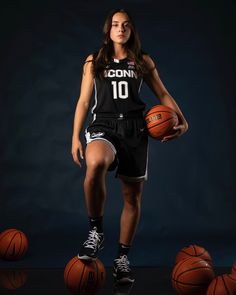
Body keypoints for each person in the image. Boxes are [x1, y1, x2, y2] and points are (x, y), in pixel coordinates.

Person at [71, 8, 188, 283]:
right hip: (104, 125)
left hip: (136, 129)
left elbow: (162, 93)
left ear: (131, 30)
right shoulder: (95, 60)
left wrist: (184, 122)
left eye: (125, 25)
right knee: (95, 162)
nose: (120, 29)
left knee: (132, 198)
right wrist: (75, 135)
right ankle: (96, 231)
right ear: (108, 30)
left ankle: (122, 257)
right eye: (115, 25)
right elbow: (84, 102)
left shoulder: (142, 60)